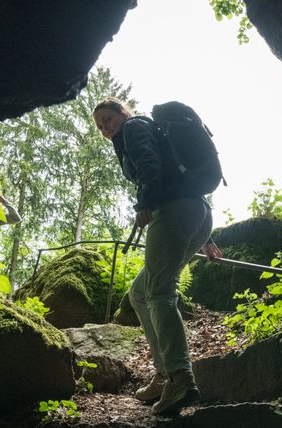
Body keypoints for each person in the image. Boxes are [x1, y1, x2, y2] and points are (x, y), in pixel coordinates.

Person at [93, 97, 223, 414]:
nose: (105, 128)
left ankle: (181, 378)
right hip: (197, 212)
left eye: (108, 119)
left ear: (122, 114)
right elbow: (178, 174)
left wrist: (144, 203)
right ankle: (164, 373)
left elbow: (151, 165)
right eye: (100, 126)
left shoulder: (135, 127)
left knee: (160, 292)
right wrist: (207, 238)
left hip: (175, 211)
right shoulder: (145, 130)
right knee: (139, 293)